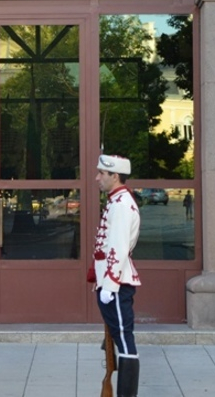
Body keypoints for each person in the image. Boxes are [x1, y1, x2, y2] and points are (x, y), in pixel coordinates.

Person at [89, 154, 141, 397]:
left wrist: (109, 284)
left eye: (102, 173)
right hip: (111, 282)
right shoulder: (116, 200)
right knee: (118, 339)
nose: (98, 177)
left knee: (124, 340)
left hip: (116, 284)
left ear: (115, 176)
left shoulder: (121, 204)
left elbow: (118, 247)